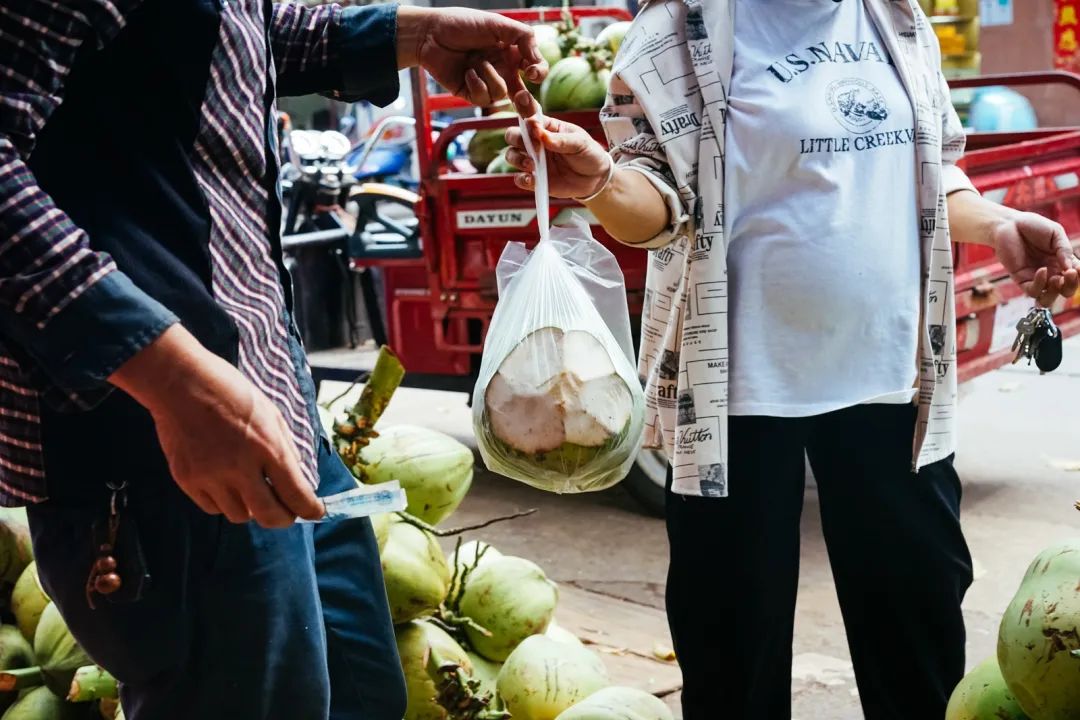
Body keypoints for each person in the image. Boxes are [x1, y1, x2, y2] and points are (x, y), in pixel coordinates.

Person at [504, 1, 1080, 718]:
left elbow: (935, 168)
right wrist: (598, 183)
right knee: (734, 659)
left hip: (893, 384)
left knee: (920, 645)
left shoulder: (894, 16)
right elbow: (657, 209)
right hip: (738, 400)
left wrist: (998, 224)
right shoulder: (675, 31)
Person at [0, 2, 546, 718]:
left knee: (361, 691)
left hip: (266, 382)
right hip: (155, 434)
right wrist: (173, 381)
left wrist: (403, 37)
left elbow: (202, 29)